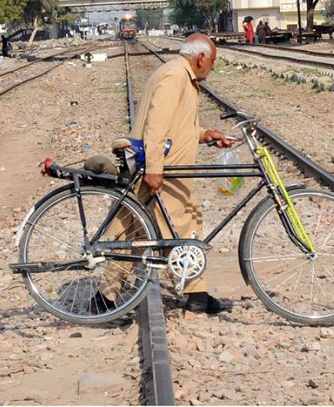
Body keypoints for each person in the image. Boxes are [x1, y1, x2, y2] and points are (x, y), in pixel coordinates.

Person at [97, 33, 235, 314]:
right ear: (200, 58)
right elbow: (157, 126)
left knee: (145, 227)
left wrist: (207, 134)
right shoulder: (175, 76)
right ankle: (104, 300)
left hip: (164, 167)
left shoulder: (179, 74)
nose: (213, 67)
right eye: (212, 61)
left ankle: (195, 293)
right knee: (146, 231)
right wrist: (156, 170)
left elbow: (178, 126)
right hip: (163, 170)